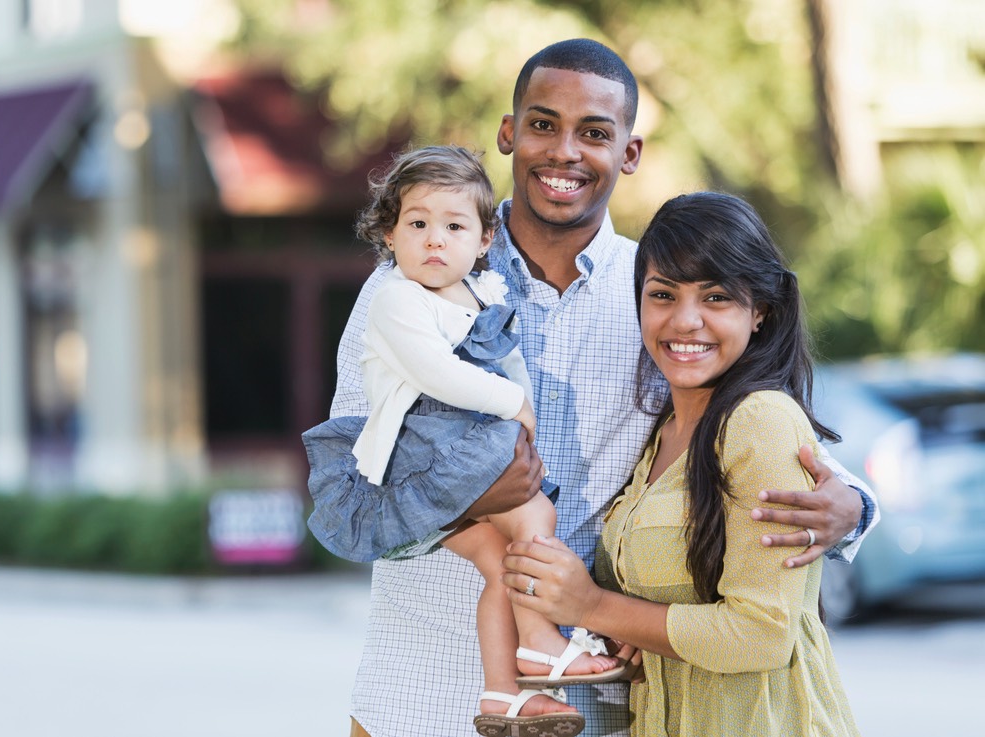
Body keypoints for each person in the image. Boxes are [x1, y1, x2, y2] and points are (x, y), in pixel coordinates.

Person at [327, 39, 878, 737]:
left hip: (597, 708)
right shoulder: (410, 284)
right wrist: (458, 496)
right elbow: (348, 481)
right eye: (542, 124)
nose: (565, 152)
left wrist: (853, 508)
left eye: (594, 133)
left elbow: (762, 435)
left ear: (630, 153)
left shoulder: (658, 297)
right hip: (416, 701)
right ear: (508, 134)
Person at [503, 191, 862, 735]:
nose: (685, 321)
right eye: (663, 294)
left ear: (759, 311)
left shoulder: (760, 420)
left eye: (716, 297)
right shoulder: (663, 431)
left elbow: (762, 633)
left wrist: (590, 605)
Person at [303, 145, 626, 737]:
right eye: (417, 224)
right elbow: (436, 373)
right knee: (536, 512)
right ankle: (539, 639)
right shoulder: (395, 296)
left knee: (500, 563)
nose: (433, 240)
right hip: (413, 461)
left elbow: (508, 363)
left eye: (453, 227)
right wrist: (517, 410)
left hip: (455, 452)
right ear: (388, 234)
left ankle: (503, 692)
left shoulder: (482, 295)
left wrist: (520, 403)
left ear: (483, 239)